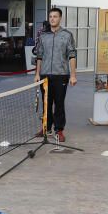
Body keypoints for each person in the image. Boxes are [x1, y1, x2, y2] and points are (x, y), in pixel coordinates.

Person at [33, 8, 77, 142]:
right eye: (51, 16)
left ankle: (59, 130)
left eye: (55, 16)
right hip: (45, 75)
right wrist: (37, 74)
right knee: (46, 103)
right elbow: (39, 56)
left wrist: (73, 75)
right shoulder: (43, 36)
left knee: (59, 104)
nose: (52, 19)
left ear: (60, 18)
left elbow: (72, 55)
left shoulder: (67, 35)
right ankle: (46, 128)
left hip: (61, 75)